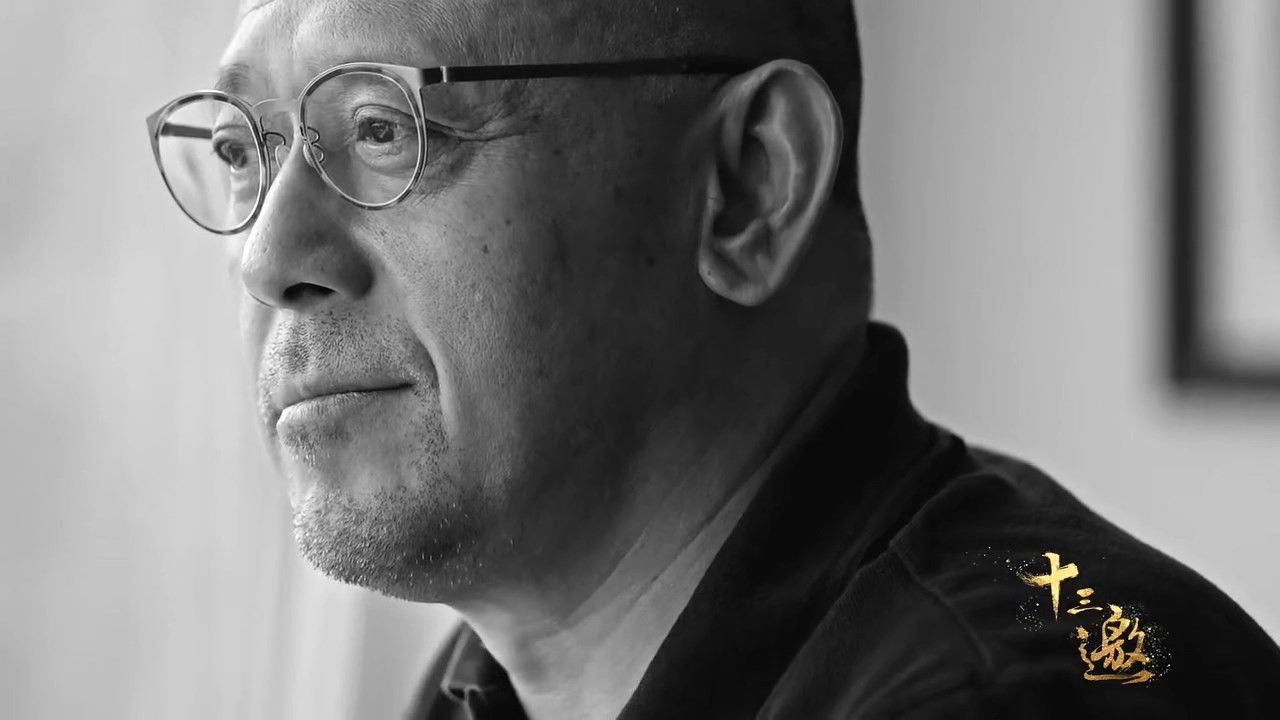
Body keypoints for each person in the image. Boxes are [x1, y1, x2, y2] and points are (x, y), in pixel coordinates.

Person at [144, 0, 1280, 717]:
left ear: (749, 184)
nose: (268, 257)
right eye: (243, 152)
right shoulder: (481, 690)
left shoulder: (1012, 699)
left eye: (383, 128)